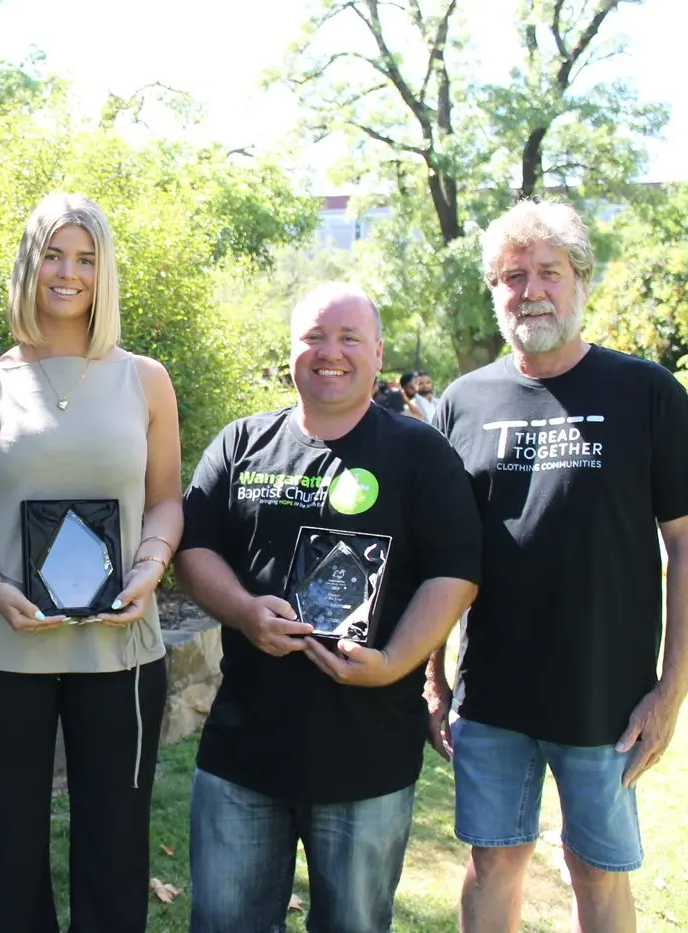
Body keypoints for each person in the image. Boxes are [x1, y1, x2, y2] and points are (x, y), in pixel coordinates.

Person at [427, 200, 688, 933]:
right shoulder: (463, 403)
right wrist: (433, 679)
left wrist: (669, 691)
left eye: (548, 272)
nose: (530, 290)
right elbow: (436, 555)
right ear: (494, 291)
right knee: (492, 861)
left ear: (581, 281)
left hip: (607, 697)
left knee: (596, 868)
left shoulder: (646, 393)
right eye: (512, 276)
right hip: (491, 693)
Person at [176, 282, 482, 933]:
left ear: (377, 354)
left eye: (348, 338)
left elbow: (455, 572)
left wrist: (394, 661)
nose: (330, 352)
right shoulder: (241, 443)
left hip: (367, 755)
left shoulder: (419, 453)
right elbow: (194, 548)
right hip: (243, 751)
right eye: (314, 336)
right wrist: (243, 610)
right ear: (291, 349)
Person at [0, 192, 182, 932]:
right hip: (0, 646)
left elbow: (166, 501)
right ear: (29, 264)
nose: (68, 272)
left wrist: (150, 567)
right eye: (53, 254)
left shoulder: (145, 379)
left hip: (119, 648)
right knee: (6, 858)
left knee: (114, 852)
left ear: (103, 271)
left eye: (84, 257)